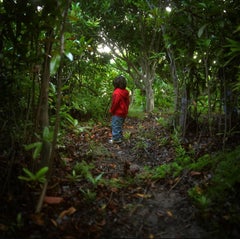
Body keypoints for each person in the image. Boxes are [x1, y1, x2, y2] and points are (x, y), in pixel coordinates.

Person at [109, 75, 130, 144]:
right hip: (123, 112)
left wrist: (111, 110)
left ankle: (116, 139)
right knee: (119, 125)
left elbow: (115, 103)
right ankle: (119, 137)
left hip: (117, 112)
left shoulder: (117, 92)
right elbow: (128, 102)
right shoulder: (126, 92)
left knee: (115, 125)